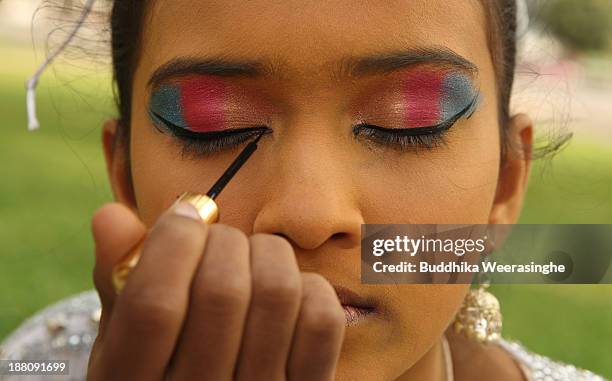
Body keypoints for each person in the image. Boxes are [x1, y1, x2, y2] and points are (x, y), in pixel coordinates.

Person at [1, 0, 607, 380]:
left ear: (505, 182)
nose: (309, 214)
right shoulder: (41, 359)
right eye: (215, 123)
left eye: (406, 122)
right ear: (125, 176)